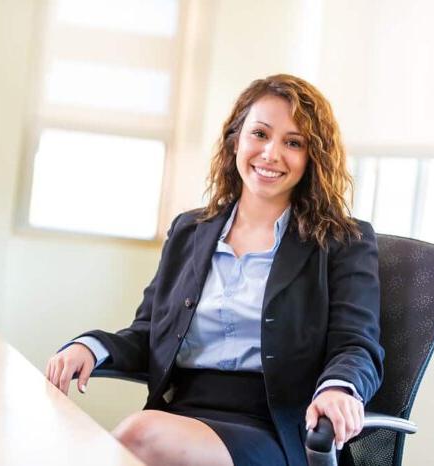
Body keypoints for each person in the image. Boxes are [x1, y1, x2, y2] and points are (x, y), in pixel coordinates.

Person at [45, 74, 384, 466]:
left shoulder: (342, 241)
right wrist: (92, 346)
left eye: (294, 142)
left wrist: (339, 390)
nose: (271, 154)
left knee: (138, 437)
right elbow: (149, 333)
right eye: (260, 134)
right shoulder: (190, 231)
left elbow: (357, 344)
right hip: (182, 414)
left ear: (312, 157)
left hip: (276, 425)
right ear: (235, 139)